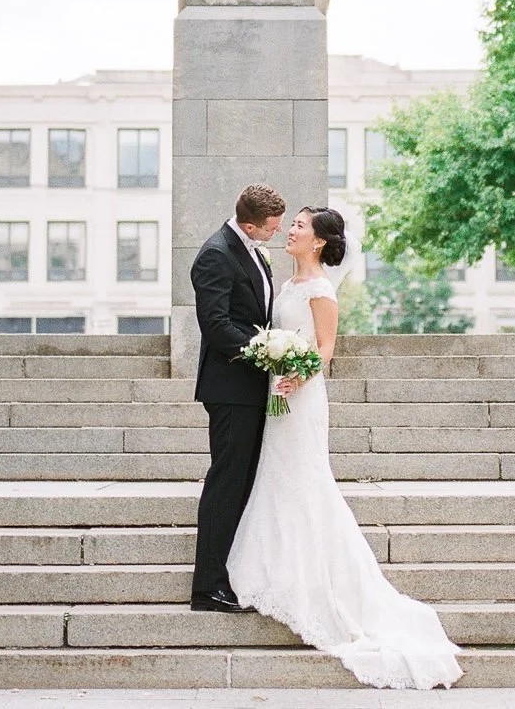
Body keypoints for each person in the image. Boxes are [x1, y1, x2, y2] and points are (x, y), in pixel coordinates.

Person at [227, 206, 464, 690]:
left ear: (317, 242)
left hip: (301, 394)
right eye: (290, 223)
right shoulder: (284, 283)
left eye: (298, 226)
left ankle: (322, 585)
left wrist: (297, 373)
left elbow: (327, 349)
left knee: (305, 481)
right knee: (276, 477)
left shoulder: (320, 290)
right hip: (277, 389)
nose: (290, 230)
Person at [188, 183, 285, 614]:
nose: (278, 233)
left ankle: (229, 572)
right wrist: (264, 354)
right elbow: (216, 325)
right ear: (249, 224)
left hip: (250, 389)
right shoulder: (216, 254)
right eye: (272, 227)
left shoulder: (247, 249)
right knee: (225, 484)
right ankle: (207, 586)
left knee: (241, 482)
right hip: (230, 388)